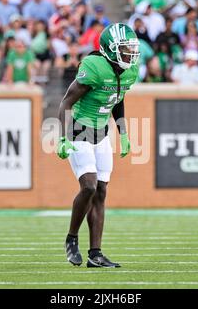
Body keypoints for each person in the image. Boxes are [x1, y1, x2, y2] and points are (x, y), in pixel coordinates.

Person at [57, 23, 140, 268]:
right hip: (80, 130)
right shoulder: (93, 66)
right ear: (110, 50)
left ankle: (96, 254)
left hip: (102, 134)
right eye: (125, 50)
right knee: (90, 187)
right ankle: (71, 238)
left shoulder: (130, 71)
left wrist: (122, 132)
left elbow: (118, 98)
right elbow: (66, 102)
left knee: (102, 192)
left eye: (132, 49)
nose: (131, 55)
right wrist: (62, 137)